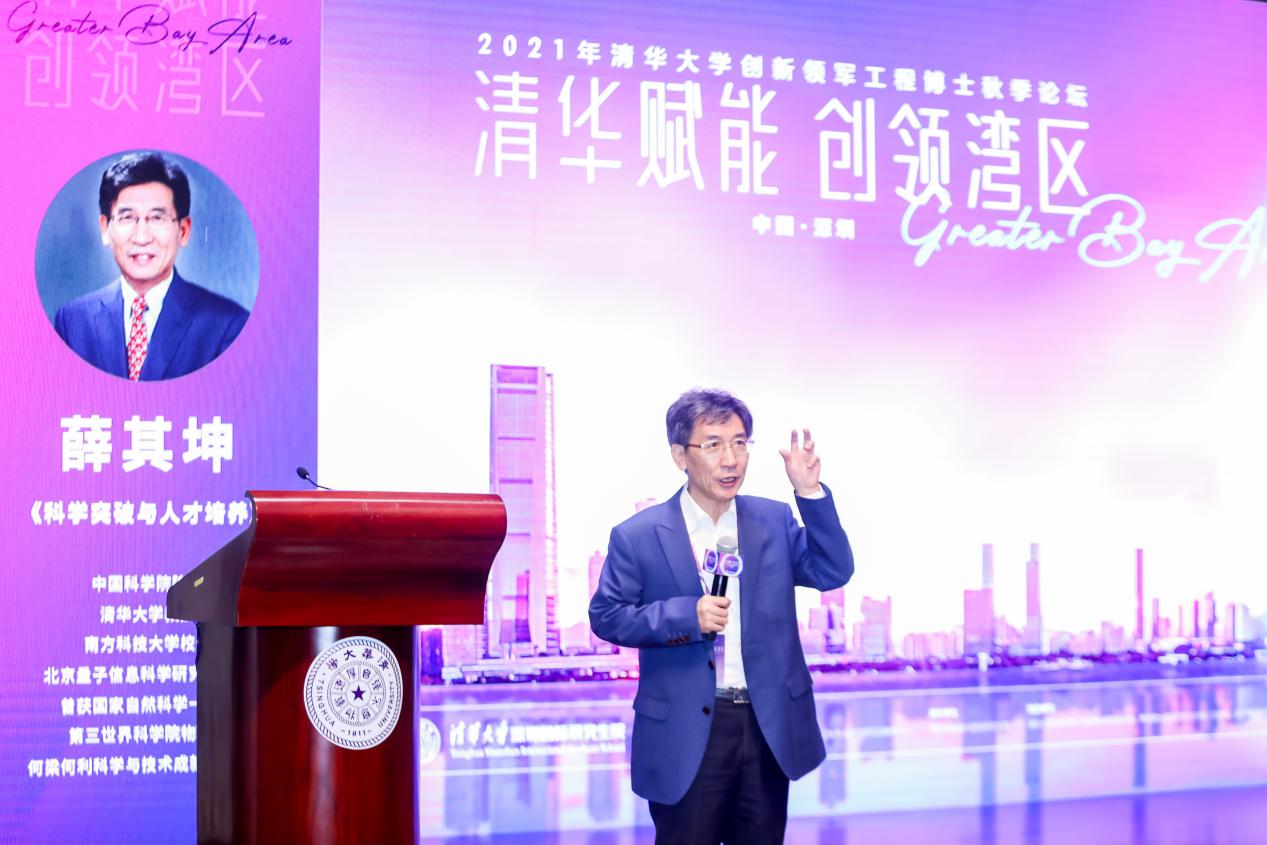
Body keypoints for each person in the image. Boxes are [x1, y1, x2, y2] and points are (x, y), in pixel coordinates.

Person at [589, 388, 854, 844]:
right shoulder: (638, 535)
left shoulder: (772, 520)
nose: (731, 459)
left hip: (766, 723)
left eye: (740, 443)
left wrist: (808, 491)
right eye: (713, 445)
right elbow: (607, 616)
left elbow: (832, 570)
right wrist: (686, 617)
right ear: (680, 455)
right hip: (686, 730)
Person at [53, 152, 249, 381]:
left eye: (157, 218)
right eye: (127, 217)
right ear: (105, 229)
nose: (142, 237)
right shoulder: (72, 321)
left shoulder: (227, 324)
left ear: (183, 231)